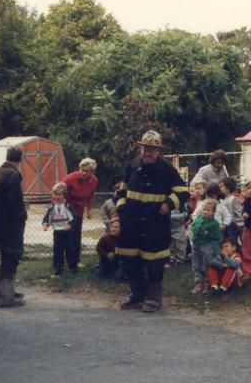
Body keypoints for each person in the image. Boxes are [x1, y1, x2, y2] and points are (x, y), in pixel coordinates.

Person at [115, 130, 190, 313]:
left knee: (155, 263)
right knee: (130, 260)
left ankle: (154, 299)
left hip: (154, 223)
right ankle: (137, 296)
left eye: (152, 149)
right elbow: (122, 189)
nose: (147, 152)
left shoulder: (167, 169)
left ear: (158, 151)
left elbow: (183, 191)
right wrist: (121, 207)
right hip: (131, 222)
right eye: (144, 148)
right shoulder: (132, 166)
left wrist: (168, 203)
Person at [0, 145, 27, 307]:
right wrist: (22, 216)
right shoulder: (13, 174)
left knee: (6, 258)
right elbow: (14, 201)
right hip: (10, 225)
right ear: (20, 158)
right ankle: (5, 297)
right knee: (11, 258)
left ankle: (7, 292)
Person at [61, 158, 99, 269]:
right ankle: (69, 261)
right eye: (82, 170)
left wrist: (89, 209)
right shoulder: (70, 178)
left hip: (79, 210)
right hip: (67, 209)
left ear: (92, 172)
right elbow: (58, 191)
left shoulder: (94, 180)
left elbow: (91, 195)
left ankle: (76, 260)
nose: (83, 173)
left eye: (87, 171)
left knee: (77, 236)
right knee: (69, 236)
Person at [42, 181, 78, 277]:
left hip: (67, 231)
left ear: (64, 195)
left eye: (59, 195)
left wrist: (70, 225)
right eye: (55, 194)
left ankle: (73, 267)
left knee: (70, 248)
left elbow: (74, 217)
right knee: (58, 250)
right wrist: (45, 223)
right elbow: (47, 216)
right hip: (57, 231)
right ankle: (58, 268)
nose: (56, 197)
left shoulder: (67, 205)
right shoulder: (52, 206)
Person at [190, 198, 223, 294]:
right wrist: (196, 229)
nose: (205, 212)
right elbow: (193, 227)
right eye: (204, 209)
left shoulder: (214, 223)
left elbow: (217, 236)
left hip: (207, 245)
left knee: (206, 264)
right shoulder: (199, 218)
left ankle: (207, 282)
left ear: (213, 212)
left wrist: (207, 233)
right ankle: (198, 282)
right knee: (196, 263)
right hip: (197, 243)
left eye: (208, 210)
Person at [219, 177, 245, 245]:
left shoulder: (233, 199)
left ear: (228, 187)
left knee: (233, 242)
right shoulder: (224, 199)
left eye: (222, 186)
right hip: (225, 224)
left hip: (232, 225)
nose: (220, 188)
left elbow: (239, 212)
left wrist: (239, 224)